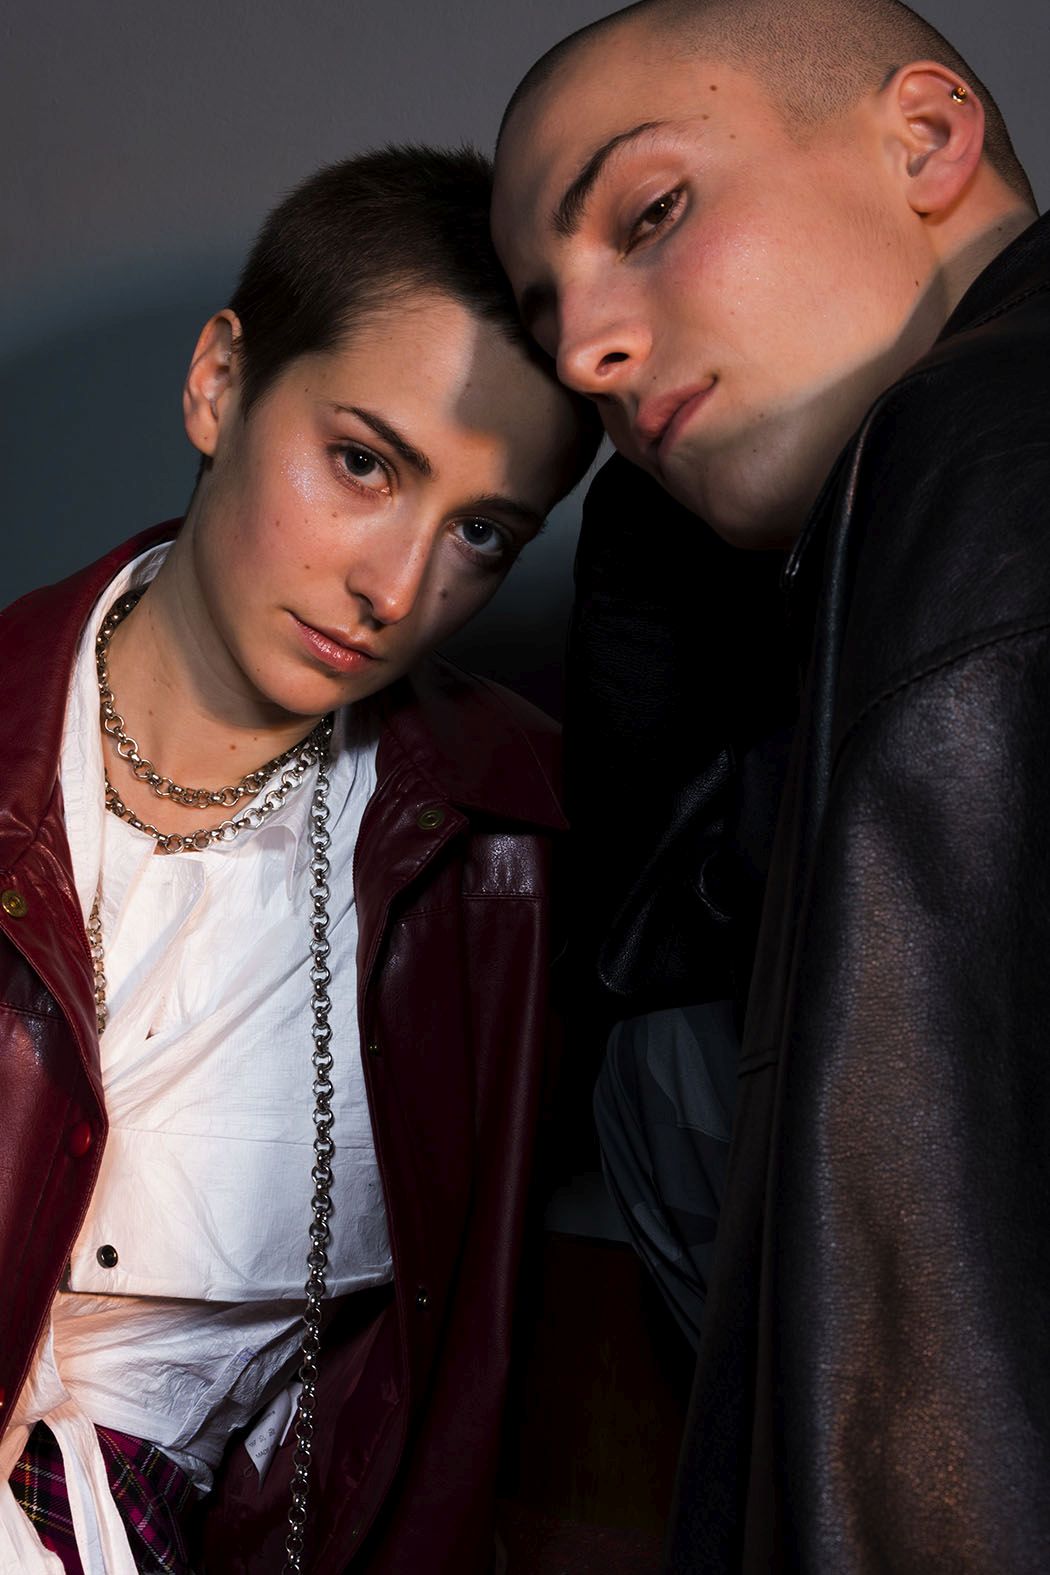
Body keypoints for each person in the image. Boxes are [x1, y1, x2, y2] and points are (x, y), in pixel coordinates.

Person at [491, 0, 1050, 1568]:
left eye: (650, 213)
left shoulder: (968, 437)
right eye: (550, 323)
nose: (585, 353)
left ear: (923, 139)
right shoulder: (778, 548)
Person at [0, 145, 600, 1573]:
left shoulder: (505, 848)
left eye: (481, 534)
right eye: (363, 463)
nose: (395, 588)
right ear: (220, 384)